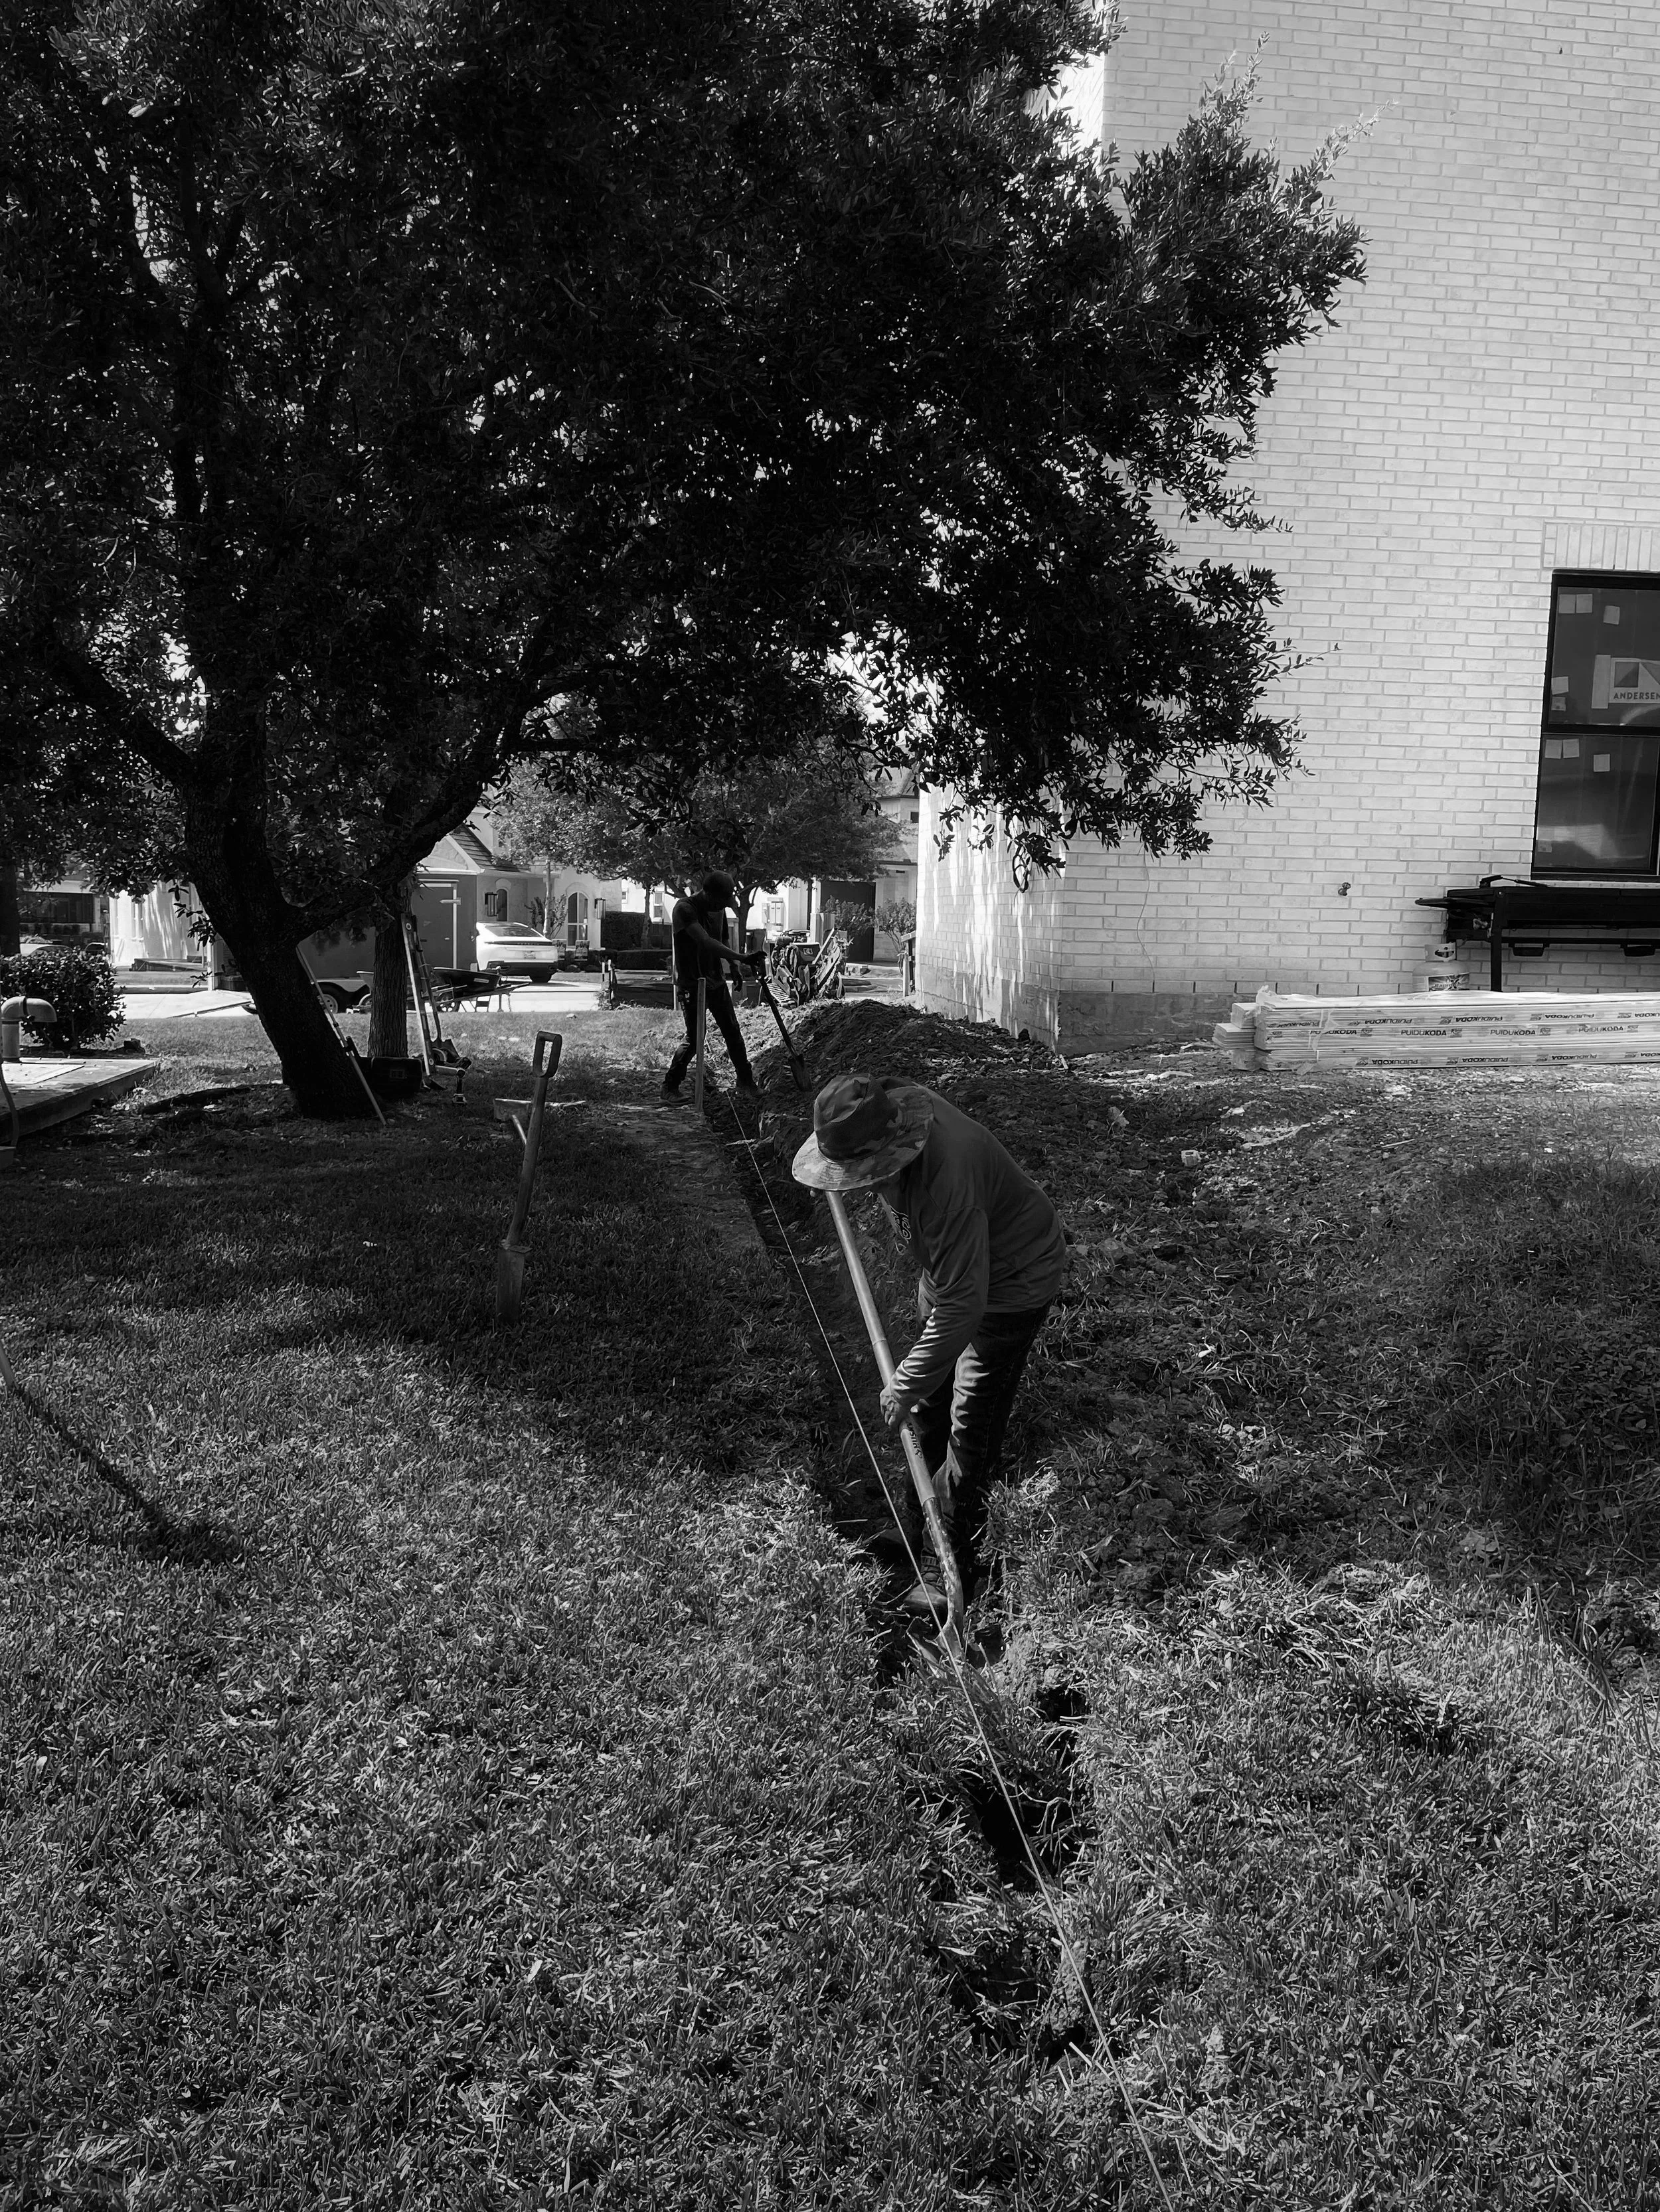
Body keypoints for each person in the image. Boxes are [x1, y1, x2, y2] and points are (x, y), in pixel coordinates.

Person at [791, 1069, 1066, 1608]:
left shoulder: (949, 1183)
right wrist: (916, 1386)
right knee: (928, 1408)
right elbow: (951, 1288)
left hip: (1012, 1282)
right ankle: (920, 1526)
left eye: (863, 1173)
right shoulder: (894, 1112)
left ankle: (952, 1568)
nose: (862, 1185)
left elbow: (967, 1304)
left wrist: (903, 1384)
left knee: (969, 1428)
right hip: (949, 1276)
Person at [661, 872, 760, 1101]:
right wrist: (743, 957)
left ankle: (746, 1082)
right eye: (720, 901)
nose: (722, 906)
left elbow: (722, 939)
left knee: (733, 1032)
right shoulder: (684, 909)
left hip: (715, 981)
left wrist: (734, 966)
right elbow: (705, 941)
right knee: (696, 1037)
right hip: (692, 983)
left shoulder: (719, 909)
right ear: (707, 893)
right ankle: (669, 1087)